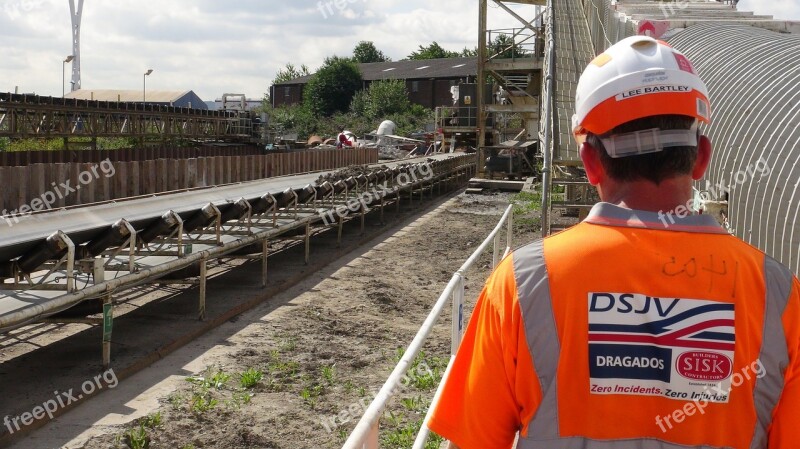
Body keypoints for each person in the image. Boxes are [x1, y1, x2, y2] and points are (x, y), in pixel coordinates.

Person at [428, 35, 800, 449]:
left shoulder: (523, 283)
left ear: (589, 162)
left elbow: (473, 441)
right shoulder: (781, 295)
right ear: (701, 157)